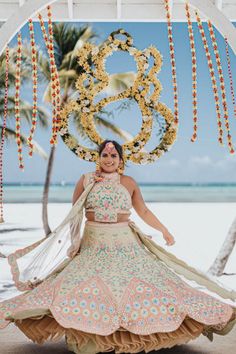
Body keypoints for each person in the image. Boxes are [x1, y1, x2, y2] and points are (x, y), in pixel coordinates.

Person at [0, 139, 235, 354]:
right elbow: (75, 214)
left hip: (125, 244)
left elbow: (143, 211)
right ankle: (90, 336)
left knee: (141, 286)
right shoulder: (86, 180)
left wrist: (164, 230)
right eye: (105, 155)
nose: (109, 160)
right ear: (98, 158)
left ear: (121, 160)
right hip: (94, 244)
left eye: (113, 156)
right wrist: (74, 243)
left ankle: (132, 334)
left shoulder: (129, 183)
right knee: (82, 288)